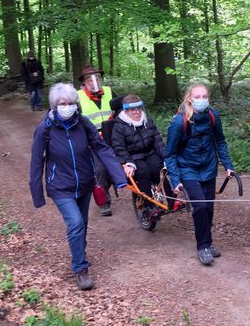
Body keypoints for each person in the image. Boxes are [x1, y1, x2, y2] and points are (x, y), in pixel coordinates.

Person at [29, 83, 128, 290]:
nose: (67, 106)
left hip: (84, 184)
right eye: (62, 103)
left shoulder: (83, 124)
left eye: (71, 103)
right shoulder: (44, 129)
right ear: (54, 106)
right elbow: (37, 162)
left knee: (81, 224)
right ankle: (80, 269)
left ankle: (79, 254)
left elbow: (102, 148)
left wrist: (119, 177)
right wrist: (37, 194)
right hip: (60, 187)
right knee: (75, 223)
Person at [164, 83, 234, 266]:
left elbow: (220, 141)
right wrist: (175, 179)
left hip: (209, 168)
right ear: (189, 98)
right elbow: (170, 153)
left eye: (204, 96)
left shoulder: (213, 116)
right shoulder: (180, 122)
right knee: (201, 207)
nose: (201, 100)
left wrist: (228, 164)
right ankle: (203, 246)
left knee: (209, 208)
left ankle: (207, 243)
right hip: (188, 169)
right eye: (197, 97)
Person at [110, 94, 168, 220]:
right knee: (144, 172)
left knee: (160, 169)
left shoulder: (147, 121)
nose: (136, 112)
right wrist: (128, 163)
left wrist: (166, 155)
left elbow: (157, 140)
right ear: (126, 110)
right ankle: (149, 206)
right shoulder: (119, 125)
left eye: (138, 108)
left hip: (149, 152)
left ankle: (172, 198)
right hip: (133, 157)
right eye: (132, 109)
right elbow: (119, 148)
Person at [77, 65, 117, 217]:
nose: (94, 82)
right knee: (99, 169)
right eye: (90, 79)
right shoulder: (78, 96)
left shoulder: (109, 91)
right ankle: (104, 201)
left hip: (113, 136)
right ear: (84, 82)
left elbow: (120, 109)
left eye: (97, 78)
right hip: (92, 141)